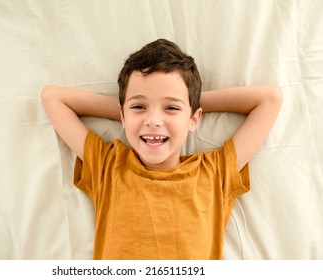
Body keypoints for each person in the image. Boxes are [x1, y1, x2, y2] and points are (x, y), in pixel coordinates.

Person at [41, 39, 281, 260]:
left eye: (170, 108)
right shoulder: (109, 166)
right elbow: (52, 97)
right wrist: (146, 108)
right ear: (121, 114)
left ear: (195, 119)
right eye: (139, 106)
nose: (153, 120)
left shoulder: (214, 172)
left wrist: (189, 103)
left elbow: (269, 99)